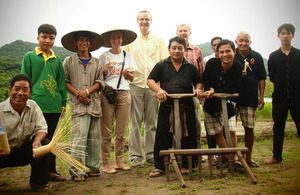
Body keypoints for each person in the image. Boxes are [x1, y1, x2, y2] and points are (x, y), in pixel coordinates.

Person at [147, 36, 204, 177]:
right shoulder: (161, 65)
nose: (177, 51)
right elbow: (150, 80)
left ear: (184, 49)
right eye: (174, 48)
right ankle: (161, 167)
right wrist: (159, 90)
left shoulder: (191, 66)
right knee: (162, 135)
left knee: (189, 136)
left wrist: (198, 90)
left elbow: (198, 82)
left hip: (187, 106)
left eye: (180, 48)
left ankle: (187, 165)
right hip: (167, 106)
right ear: (169, 49)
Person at [21, 24, 67, 182]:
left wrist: (63, 103)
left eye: (51, 38)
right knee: (38, 139)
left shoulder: (57, 59)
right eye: (44, 37)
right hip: (36, 105)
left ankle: (52, 171)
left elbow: (61, 82)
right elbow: (24, 79)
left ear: (54, 39)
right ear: (38, 38)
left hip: (54, 105)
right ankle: (39, 173)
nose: (47, 40)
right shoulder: (29, 56)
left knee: (53, 139)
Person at [123, 10, 169, 167]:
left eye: (147, 19)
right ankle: (135, 156)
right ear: (137, 21)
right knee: (135, 123)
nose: (144, 22)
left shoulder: (159, 40)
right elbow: (125, 62)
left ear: (151, 21)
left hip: (152, 86)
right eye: (141, 19)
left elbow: (164, 62)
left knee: (151, 122)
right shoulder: (130, 41)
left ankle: (150, 154)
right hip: (134, 85)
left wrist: (160, 86)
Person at [61, 30, 105, 181]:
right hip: (77, 105)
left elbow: (100, 82)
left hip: (93, 104)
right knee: (78, 138)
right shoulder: (68, 61)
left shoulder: (97, 62)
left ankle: (93, 168)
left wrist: (87, 92)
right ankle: (77, 170)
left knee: (94, 137)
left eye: (86, 40)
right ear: (75, 42)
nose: (84, 43)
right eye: (80, 40)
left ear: (90, 43)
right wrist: (79, 94)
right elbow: (65, 81)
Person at [0, 73, 51, 192]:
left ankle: (37, 182)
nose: (20, 93)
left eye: (25, 90)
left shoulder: (33, 106)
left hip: (22, 152)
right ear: (10, 90)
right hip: (2, 154)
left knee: (46, 144)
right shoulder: (1, 109)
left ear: (30, 93)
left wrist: (37, 141)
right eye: (16, 89)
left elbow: (42, 128)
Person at [99, 28, 138, 173]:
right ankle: (106, 163)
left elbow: (133, 78)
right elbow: (98, 78)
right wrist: (104, 71)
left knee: (121, 131)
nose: (116, 40)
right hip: (107, 93)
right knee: (106, 131)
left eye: (119, 37)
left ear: (122, 40)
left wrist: (127, 74)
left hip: (124, 93)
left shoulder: (128, 56)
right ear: (110, 40)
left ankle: (119, 161)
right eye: (114, 37)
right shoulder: (103, 56)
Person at [202, 39, 242, 169]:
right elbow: (205, 79)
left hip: (227, 103)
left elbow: (233, 86)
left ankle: (233, 159)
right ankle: (226, 158)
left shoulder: (237, 67)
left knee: (231, 130)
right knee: (217, 132)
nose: (225, 54)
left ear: (234, 51)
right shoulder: (212, 63)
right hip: (210, 103)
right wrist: (210, 89)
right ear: (217, 53)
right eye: (222, 52)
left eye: (228, 51)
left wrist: (215, 90)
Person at [265, 23, 300, 164]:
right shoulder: (274, 56)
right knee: (278, 126)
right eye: (283, 33)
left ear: (293, 35)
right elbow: (272, 76)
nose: (285, 36)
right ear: (278, 35)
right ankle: (276, 156)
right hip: (280, 98)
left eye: (288, 33)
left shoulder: (298, 54)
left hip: (298, 97)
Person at [234, 31, 266, 168]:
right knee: (229, 128)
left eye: (246, 40)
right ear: (236, 42)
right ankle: (230, 156)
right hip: (233, 96)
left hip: (250, 96)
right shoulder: (231, 54)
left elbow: (262, 78)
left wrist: (262, 96)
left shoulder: (257, 57)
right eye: (240, 40)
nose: (243, 43)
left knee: (249, 127)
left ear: (250, 42)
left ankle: (248, 158)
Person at [176, 24, 204, 154]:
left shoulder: (196, 50)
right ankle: (176, 150)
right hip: (175, 89)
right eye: (180, 31)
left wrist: (200, 89)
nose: (183, 33)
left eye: (185, 31)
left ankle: (197, 151)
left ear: (189, 33)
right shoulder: (171, 49)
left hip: (193, 89)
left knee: (195, 121)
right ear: (176, 33)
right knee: (176, 121)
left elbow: (201, 73)